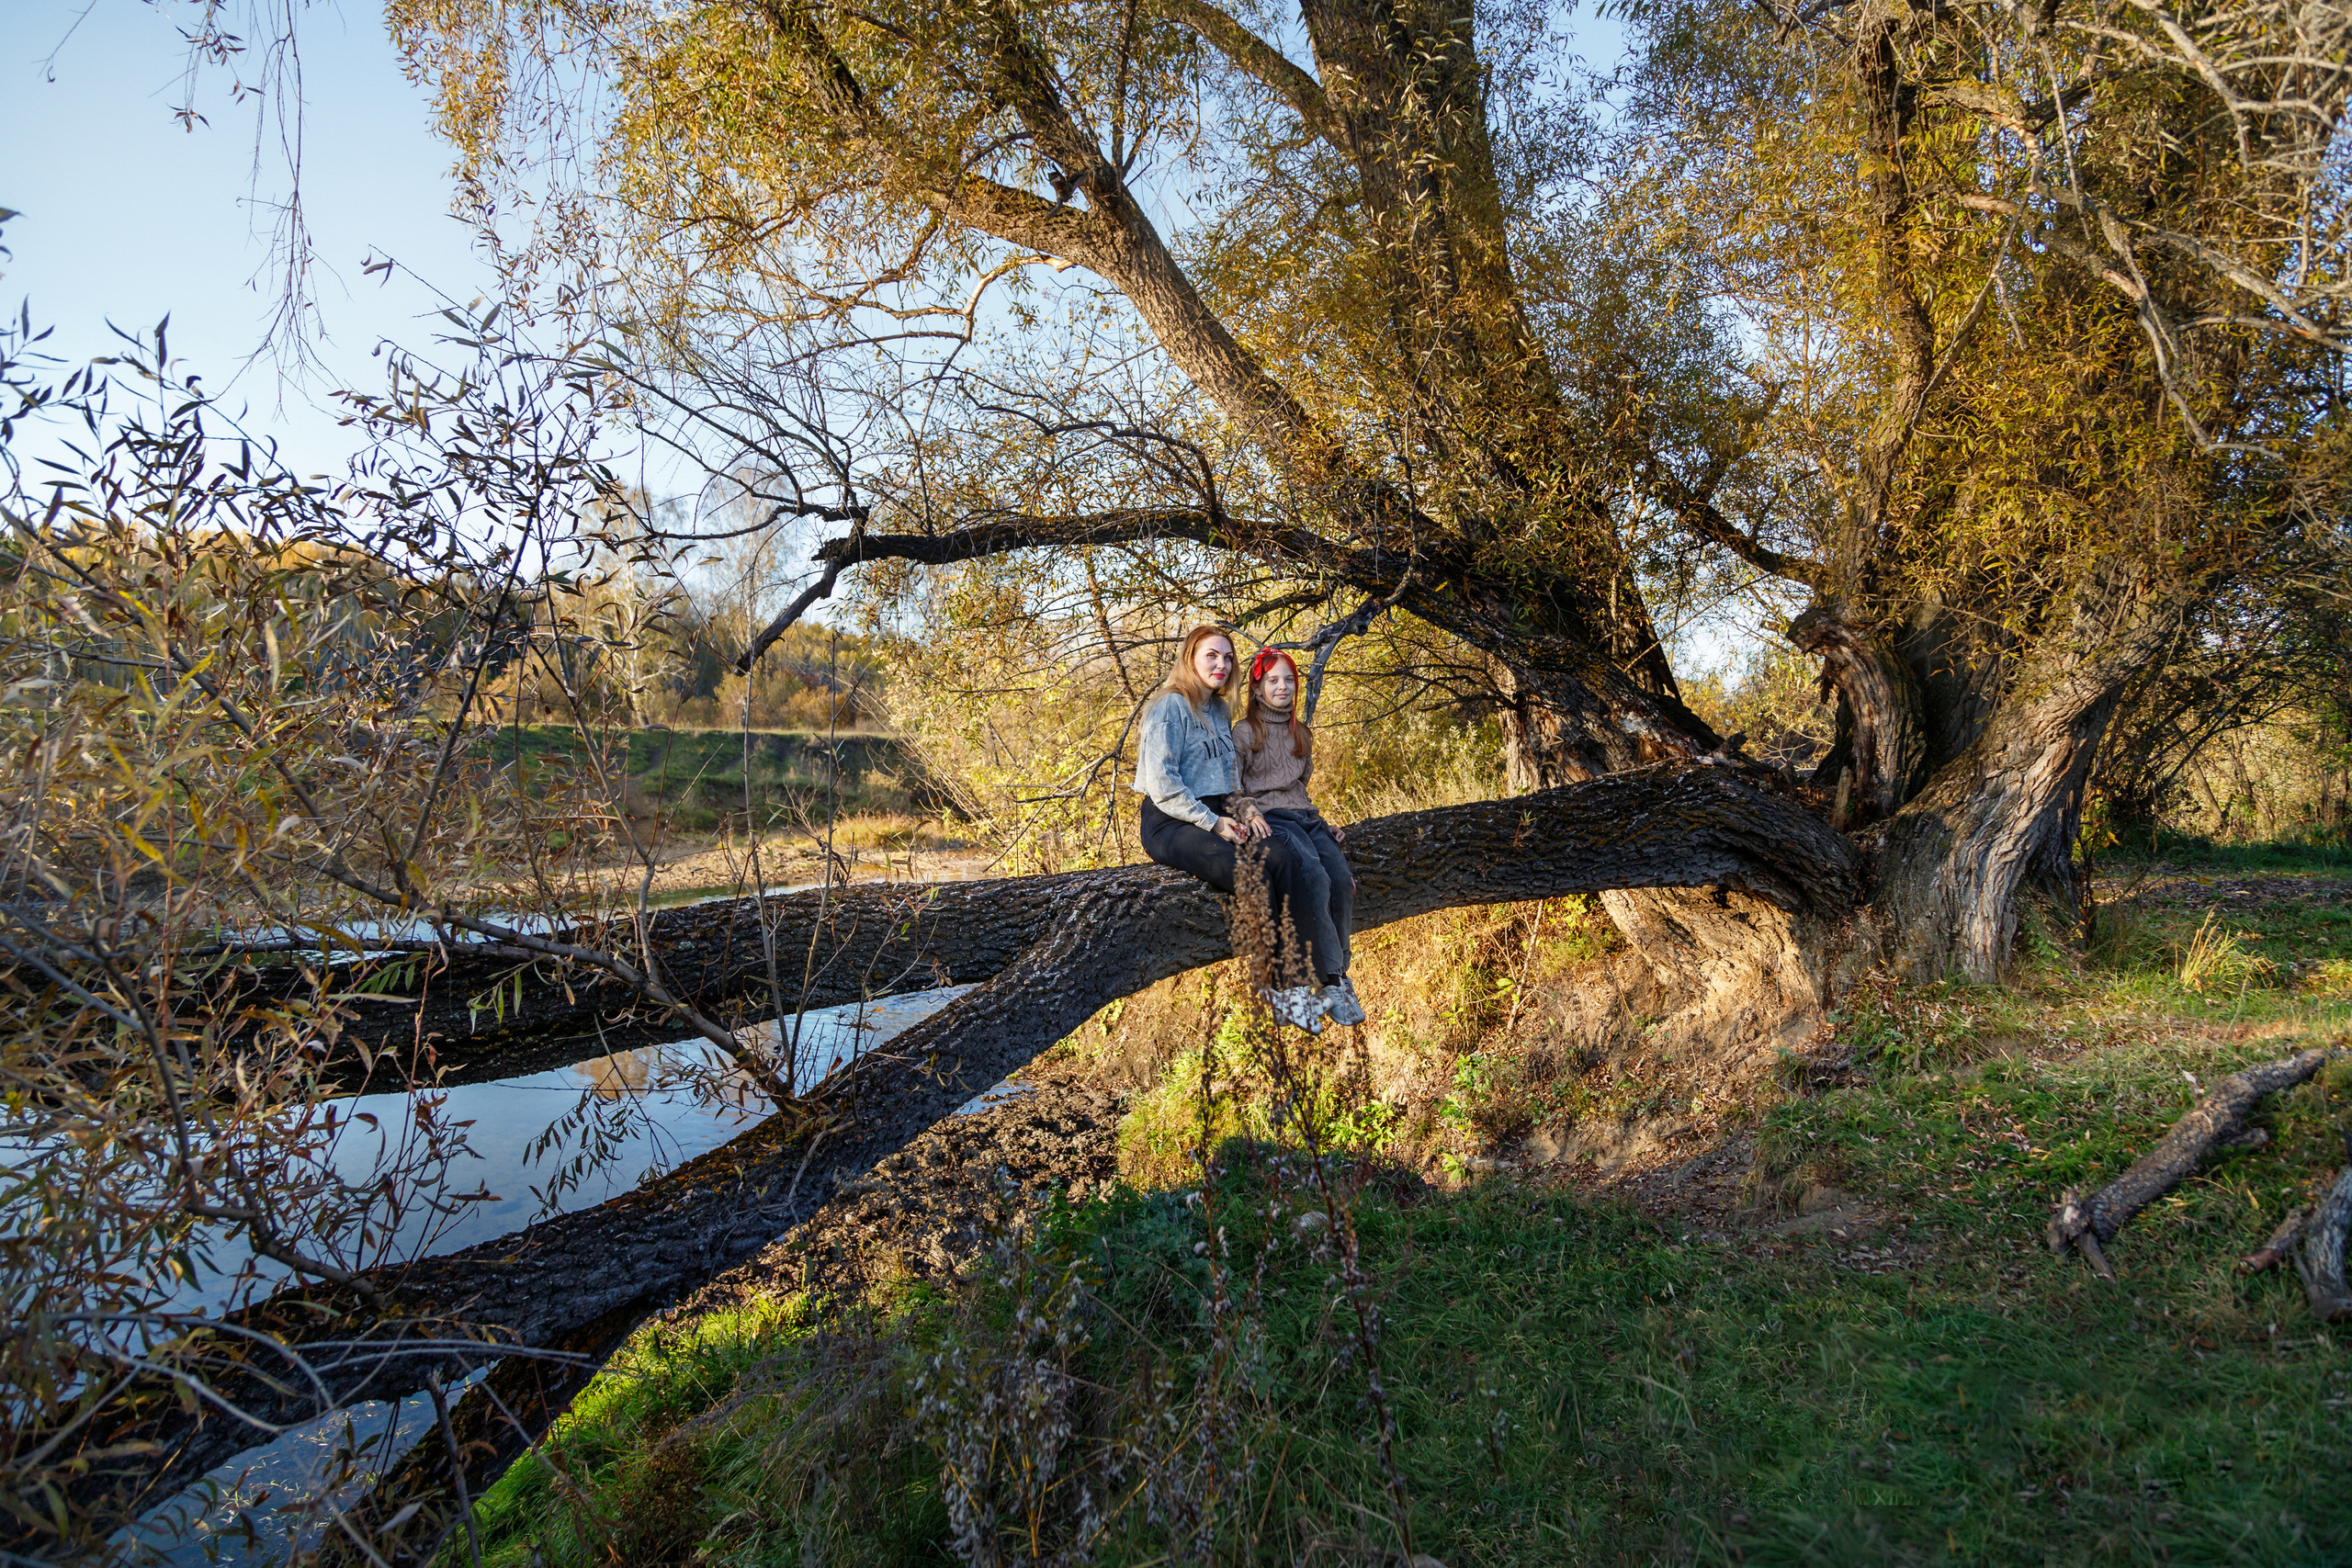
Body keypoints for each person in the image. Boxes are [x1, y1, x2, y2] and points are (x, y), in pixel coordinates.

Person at [1133, 625, 1329, 1031]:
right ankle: (1275, 990)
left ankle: (1302, 984)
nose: (1221, 664)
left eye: (1227, 658)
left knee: (1283, 858)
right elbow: (1163, 786)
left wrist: (1243, 812)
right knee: (1252, 875)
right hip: (1171, 821)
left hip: (1217, 813)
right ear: (1190, 658)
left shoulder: (1220, 711)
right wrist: (1214, 824)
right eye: (1211, 655)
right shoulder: (1171, 707)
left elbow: (1228, 780)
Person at [1231, 648, 1366, 1027]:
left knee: (1341, 880)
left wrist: (1323, 822)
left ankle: (1340, 977)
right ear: (1257, 689)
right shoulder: (1243, 734)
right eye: (1272, 680)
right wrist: (1249, 811)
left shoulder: (1300, 733)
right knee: (1315, 878)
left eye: (1288, 679)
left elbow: (1300, 788)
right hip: (1273, 820)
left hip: (1306, 818)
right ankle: (1325, 979)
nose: (1282, 687)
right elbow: (1230, 787)